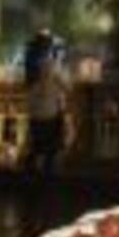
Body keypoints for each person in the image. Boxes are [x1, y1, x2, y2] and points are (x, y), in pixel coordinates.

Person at [25, 40, 67, 176]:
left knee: (38, 148)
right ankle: (45, 172)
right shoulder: (52, 80)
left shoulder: (35, 82)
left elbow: (30, 102)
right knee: (47, 149)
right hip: (48, 118)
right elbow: (65, 92)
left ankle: (35, 173)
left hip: (39, 119)